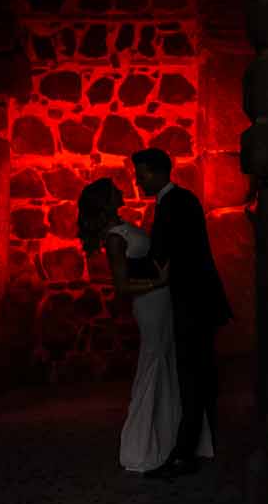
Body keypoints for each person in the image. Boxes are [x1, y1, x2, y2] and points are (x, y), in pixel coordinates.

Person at [76, 176, 212, 475]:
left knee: (167, 362)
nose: (122, 189)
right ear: (106, 200)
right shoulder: (114, 237)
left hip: (161, 299)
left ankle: (166, 440)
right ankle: (141, 445)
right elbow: (122, 286)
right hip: (150, 303)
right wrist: (159, 281)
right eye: (115, 190)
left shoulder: (122, 228)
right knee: (154, 362)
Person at [134, 147, 230, 478]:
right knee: (197, 373)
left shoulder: (174, 204)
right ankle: (194, 445)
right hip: (196, 299)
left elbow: (163, 253)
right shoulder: (182, 200)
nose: (138, 180)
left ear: (159, 172)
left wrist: (123, 263)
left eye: (142, 173)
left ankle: (184, 453)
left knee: (192, 374)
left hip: (192, 302)